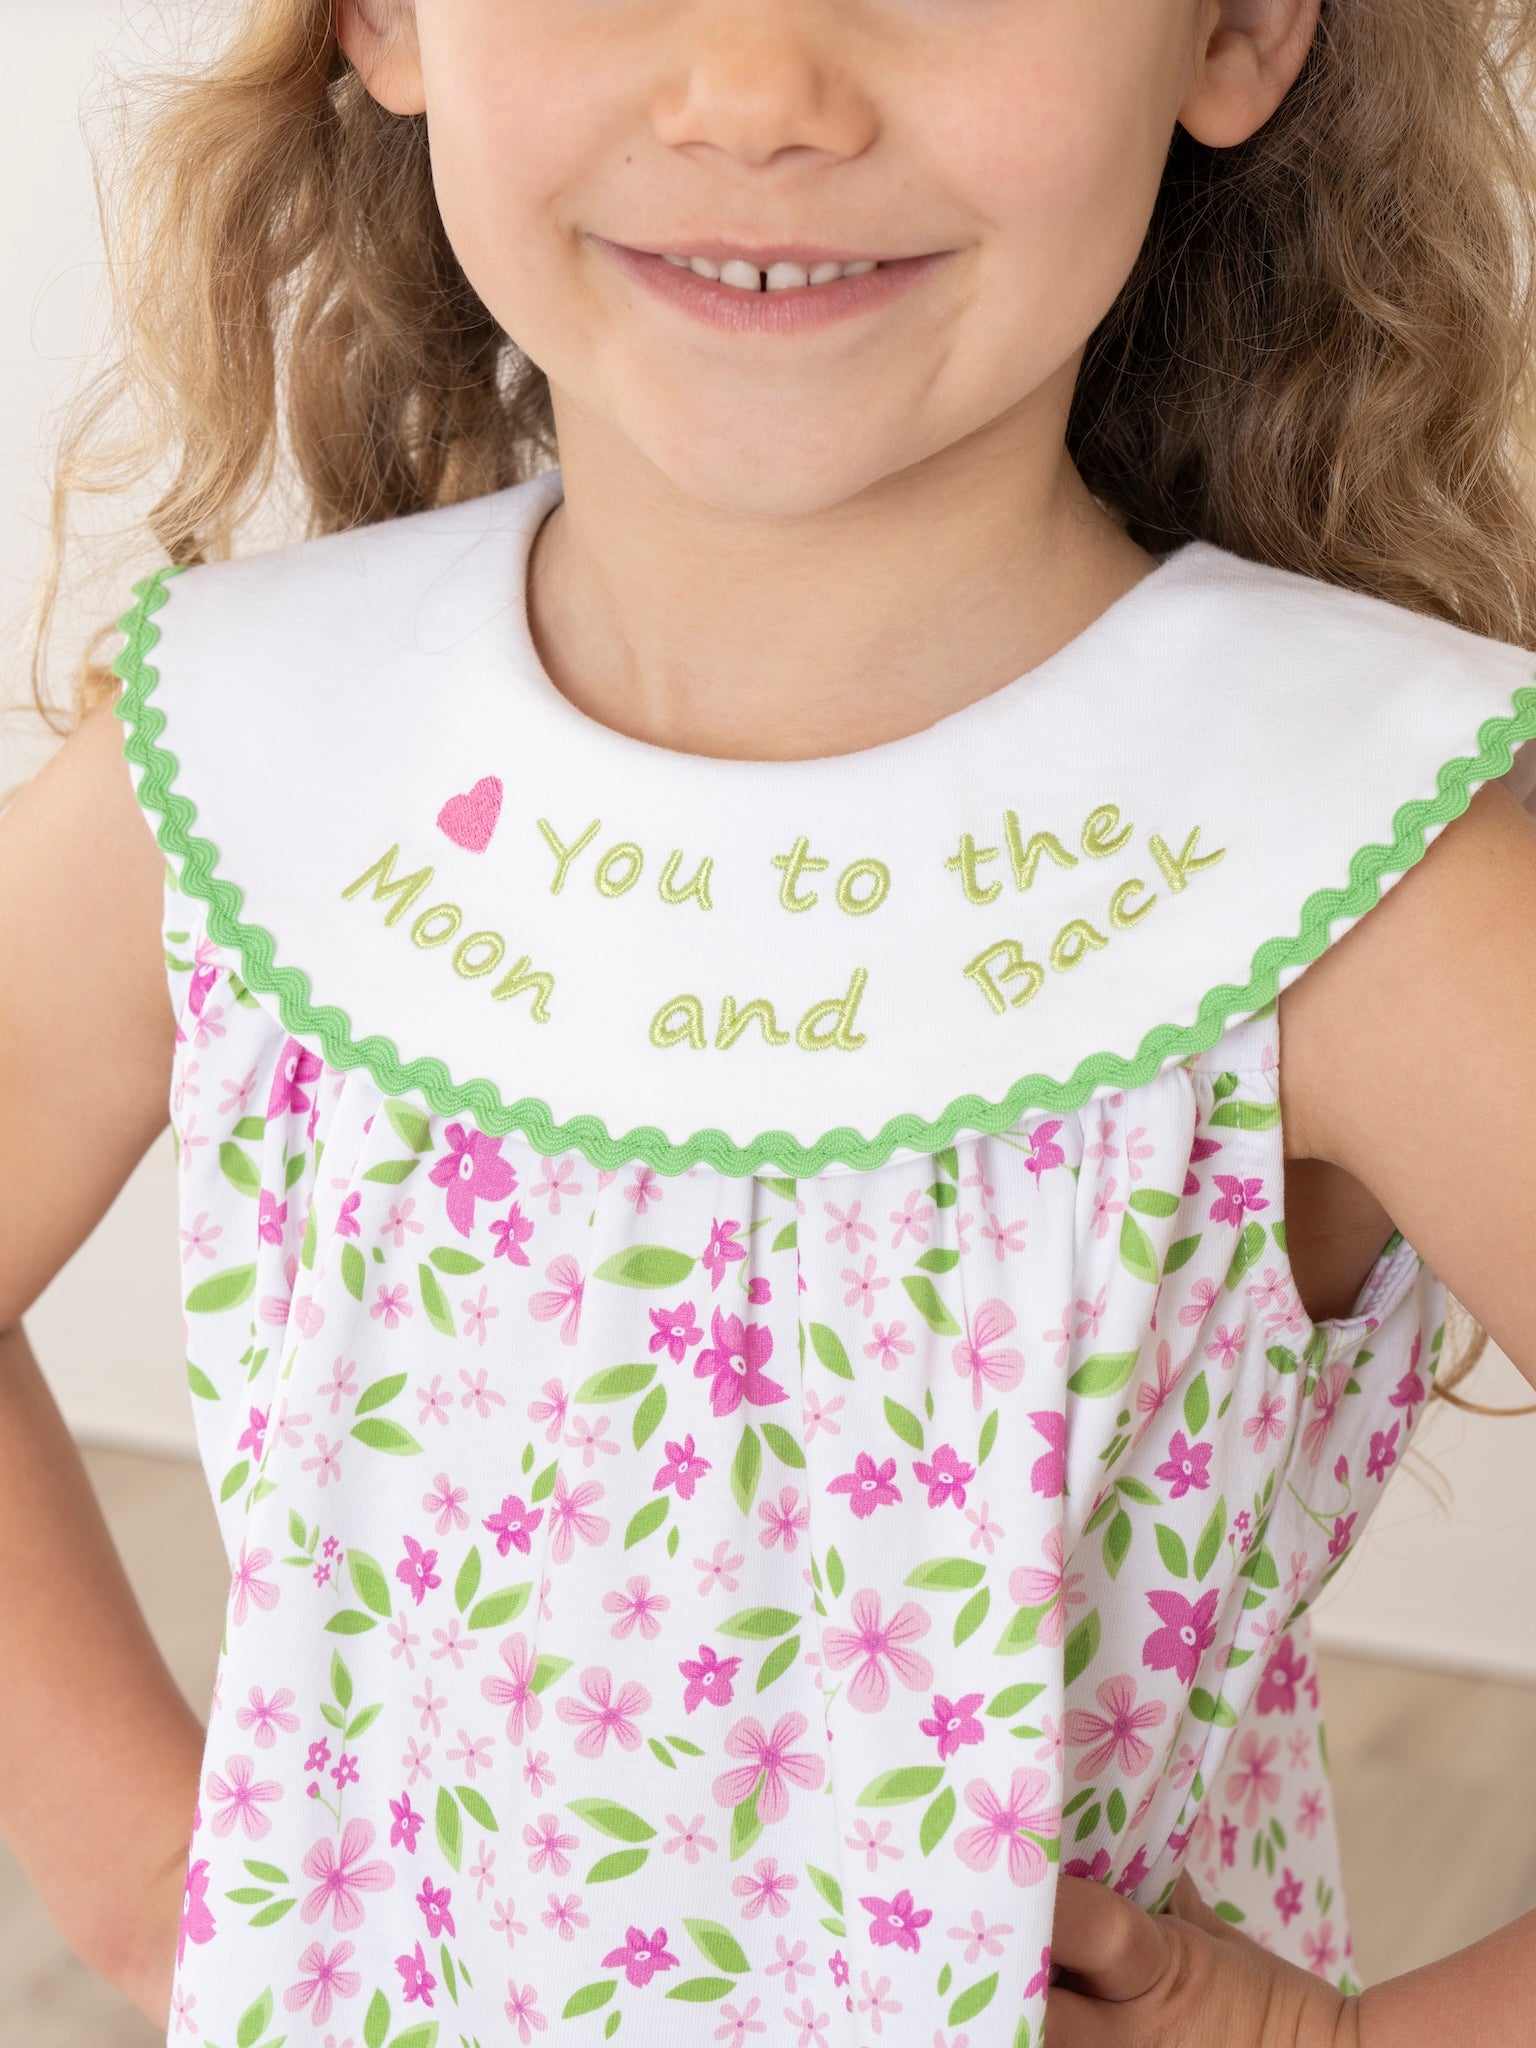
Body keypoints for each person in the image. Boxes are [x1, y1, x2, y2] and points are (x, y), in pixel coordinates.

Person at [1, 1, 1533, 2044]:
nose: (759, 93)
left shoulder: (1351, 861)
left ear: (1238, 25)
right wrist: (145, 1880)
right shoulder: (247, 753)